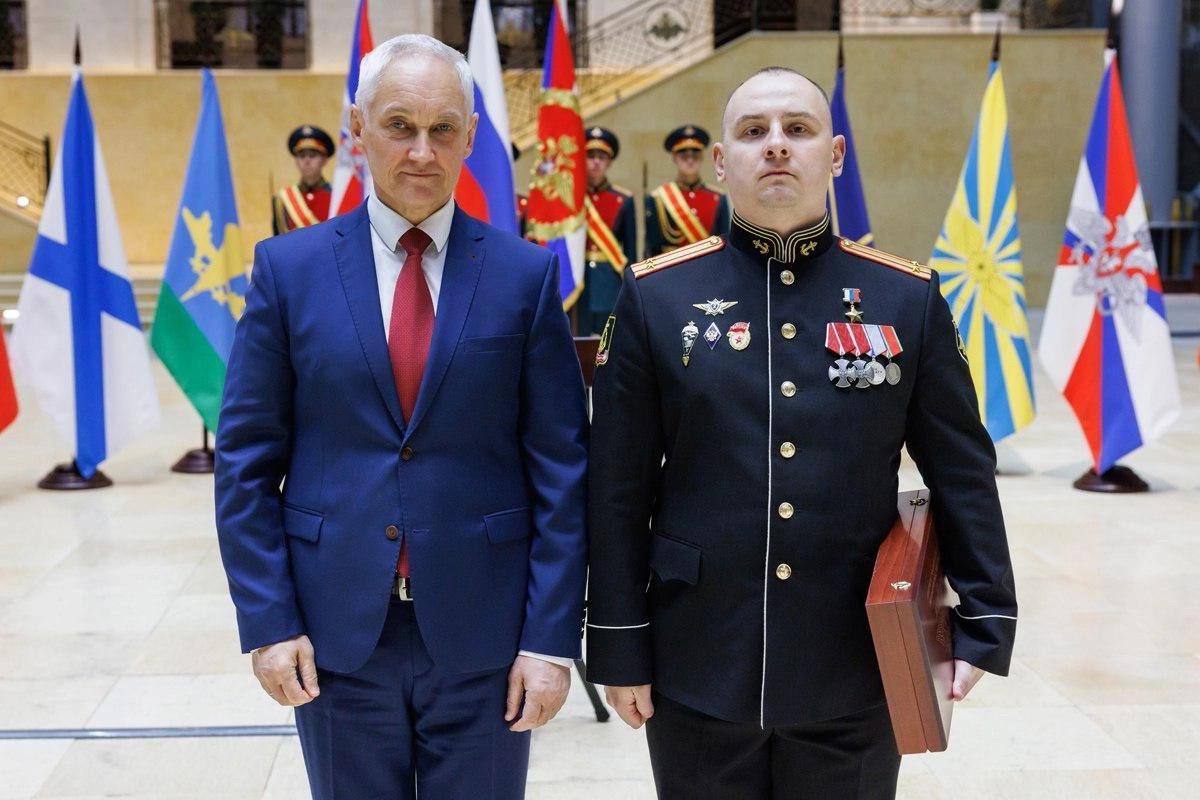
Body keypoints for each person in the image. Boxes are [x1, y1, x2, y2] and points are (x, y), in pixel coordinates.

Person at [585, 66, 1017, 799]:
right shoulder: (657, 296)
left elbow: (961, 468)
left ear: (835, 155)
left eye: (798, 129)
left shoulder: (903, 297)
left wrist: (986, 614)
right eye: (754, 132)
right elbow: (617, 486)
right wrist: (620, 641)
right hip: (698, 659)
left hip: (856, 662)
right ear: (722, 162)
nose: (776, 145)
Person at [216, 34, 588, 800]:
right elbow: (246, 466)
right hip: (334, 636)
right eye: (399, 126)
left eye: (442, 128)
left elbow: (561, 470)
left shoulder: (523, 276)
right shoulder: (289, 271)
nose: (422, 151)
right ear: (358, 129)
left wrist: (550, 641)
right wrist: (270, 621)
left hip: (486, 637)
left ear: (471, 137)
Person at [578, 126, 637, 336]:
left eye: (602, 157)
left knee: (609, 341)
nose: (596, 162)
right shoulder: (572, 200)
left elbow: (630, 251)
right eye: (590, 156)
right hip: (578, 280)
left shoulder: (623, 200)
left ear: (609, 162)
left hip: (609, 281)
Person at [644, 124, 730, 256]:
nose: (690, 160)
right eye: (684, 156)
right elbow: (653, 248)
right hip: (672, 266)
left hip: (707, 265)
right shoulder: (658, 198)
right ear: (674, 158)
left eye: (695, 155)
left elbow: (724, 246)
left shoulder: (718, 198)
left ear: (702, 157)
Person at [272, 124, 335, 234]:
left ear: (324, 159)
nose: (307, 161)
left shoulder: (335, 196)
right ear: (296, 161)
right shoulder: (283, 199)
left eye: (312, 155)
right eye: (302, 156)